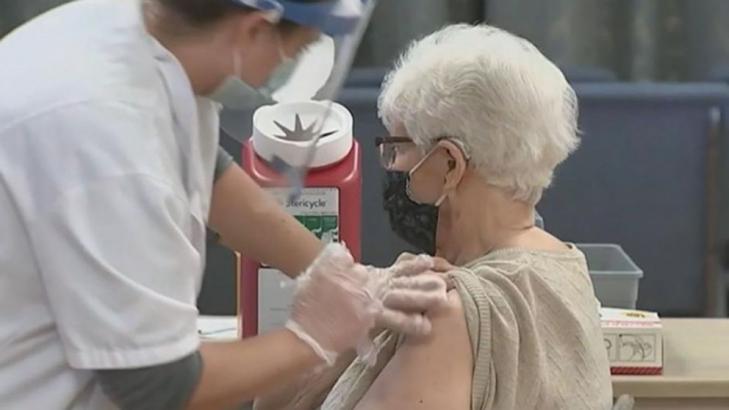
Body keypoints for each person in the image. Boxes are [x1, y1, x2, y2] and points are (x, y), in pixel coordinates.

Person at [0, 0, 449, 409]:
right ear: (253, 30)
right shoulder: (110, 146)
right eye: (293, 53)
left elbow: (206, 170)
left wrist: (331, 268)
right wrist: (312, 338)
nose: (285, 68)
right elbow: (161, 386)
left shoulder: (131, 29)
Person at [254, 24, 615, 410]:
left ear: (448, 164)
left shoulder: (446, 314)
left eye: (397, 147)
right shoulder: (566, 269)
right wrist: (339, 327)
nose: (391, 166)